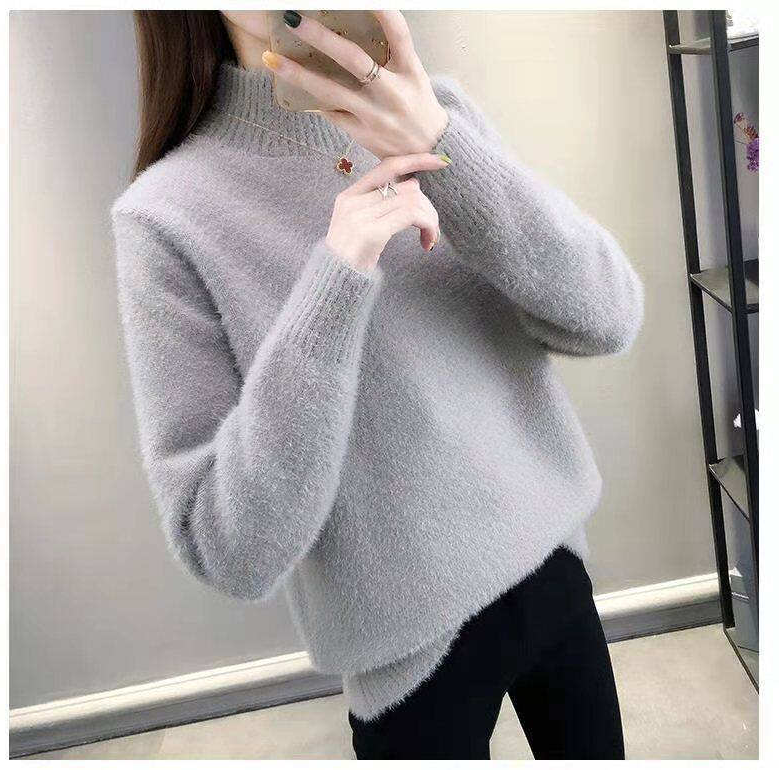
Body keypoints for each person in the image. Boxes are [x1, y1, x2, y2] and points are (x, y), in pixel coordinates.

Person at [112, 10, 643, 760]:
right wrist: (335, 279)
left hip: (554, 568)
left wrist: (445, 147)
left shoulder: (437, 113)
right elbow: (230, 549)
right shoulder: (165, 217)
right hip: (407, 660)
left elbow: (608, 318)